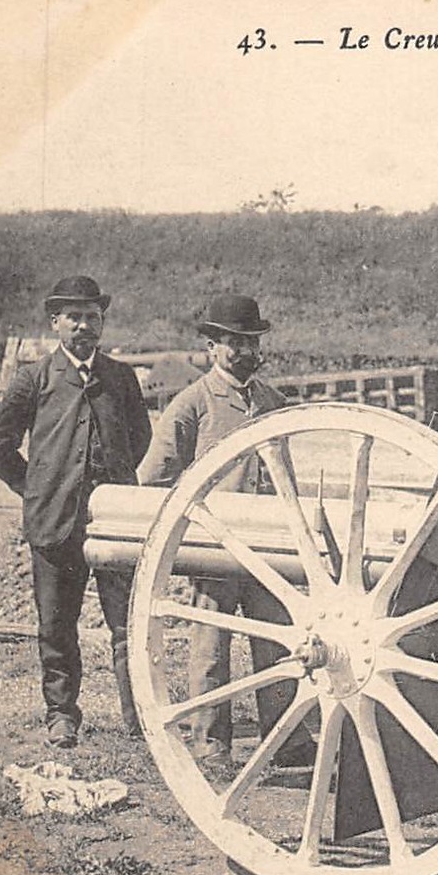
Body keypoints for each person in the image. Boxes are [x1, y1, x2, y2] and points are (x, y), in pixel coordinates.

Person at [139, 294, 313, 766]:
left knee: (277, 642)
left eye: (249, 342)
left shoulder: (273, 402)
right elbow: (153, 476)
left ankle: (288, 742)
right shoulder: (192, 404)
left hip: (266, 550)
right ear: (211, 347)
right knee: (211, 649)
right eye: (231, 343)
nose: (241, 351)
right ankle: (210, 745)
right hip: (213, 548)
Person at [0, 275, 152, 747]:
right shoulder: (33, 378)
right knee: (56, 624)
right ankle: (62, 716)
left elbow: (140, 440)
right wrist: (34, 489)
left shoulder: (121, 378)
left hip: (115, 522)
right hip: (54, 524)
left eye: (92, 317)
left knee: (127, 622)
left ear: (102, 323)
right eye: (73, 317)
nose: (83, 326)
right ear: (54, 322)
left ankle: (139, 718)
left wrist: (111, 484)